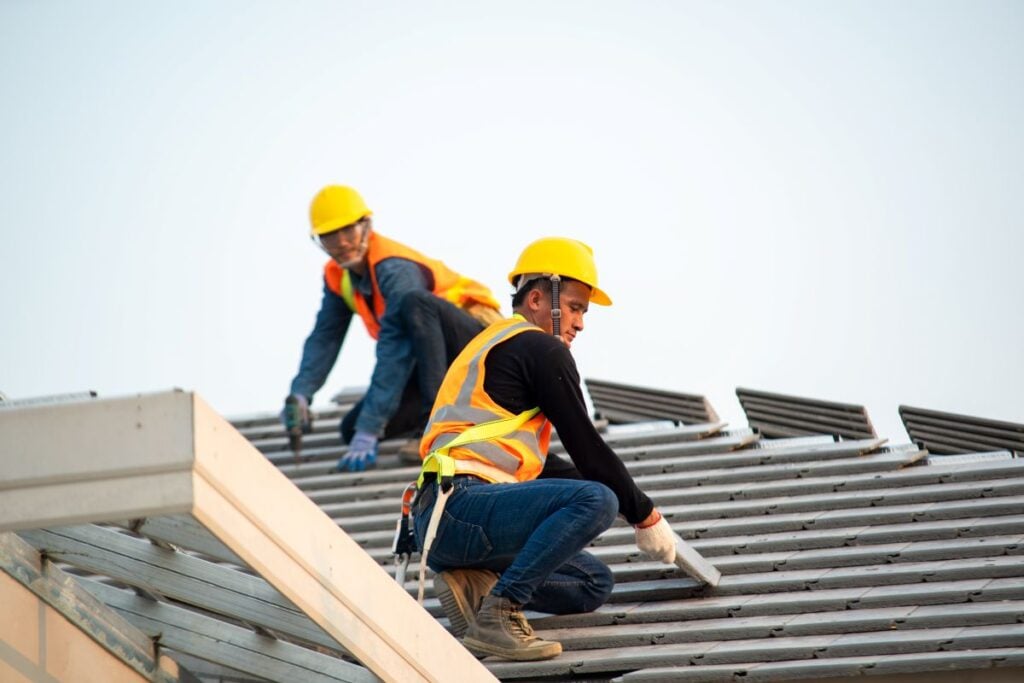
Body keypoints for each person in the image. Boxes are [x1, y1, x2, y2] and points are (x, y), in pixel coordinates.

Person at [411, 237, 677, 661]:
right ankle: (500, 612)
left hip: (442, 519)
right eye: (574, 307)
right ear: (538, 298)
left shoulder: (495, 343)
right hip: (462, 505)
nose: (580, 323)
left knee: (592, 583)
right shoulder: (541, 348)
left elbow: (554, 467)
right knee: (597, 499)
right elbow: (587, 447)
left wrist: (633, 508)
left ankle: (474, 582)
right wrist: (644, 514)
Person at [282, 185, 502, 472]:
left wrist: (371, 427)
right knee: (351, 429)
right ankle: (448, 418)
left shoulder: (394, 268)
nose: (342, 243)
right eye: (330, 236)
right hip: (437, 366)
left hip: (483, 353)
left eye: (348, 231)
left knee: (415, 304)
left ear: (366, 226)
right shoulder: (339, 276)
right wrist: (300, 393)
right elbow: (325, 338)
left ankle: (436, 428)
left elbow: (395, 348)